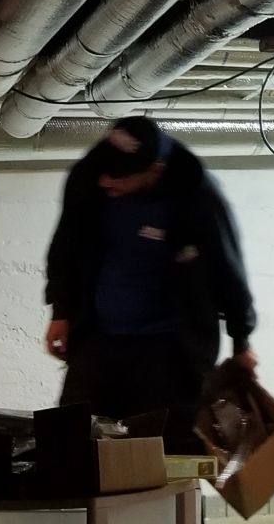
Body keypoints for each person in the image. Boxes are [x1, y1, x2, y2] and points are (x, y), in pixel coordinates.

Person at [43, 117, 256, 454]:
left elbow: (226, 266)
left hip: (169, 348)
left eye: (119, 177)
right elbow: (66, 244)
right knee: (72, 441)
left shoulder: (196, 194)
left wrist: (241, 340)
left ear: (154, 171)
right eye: (105, 171)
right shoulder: (91, 177)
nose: (106, 181)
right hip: (99, 338)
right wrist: (61, 311)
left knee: (166, 452)